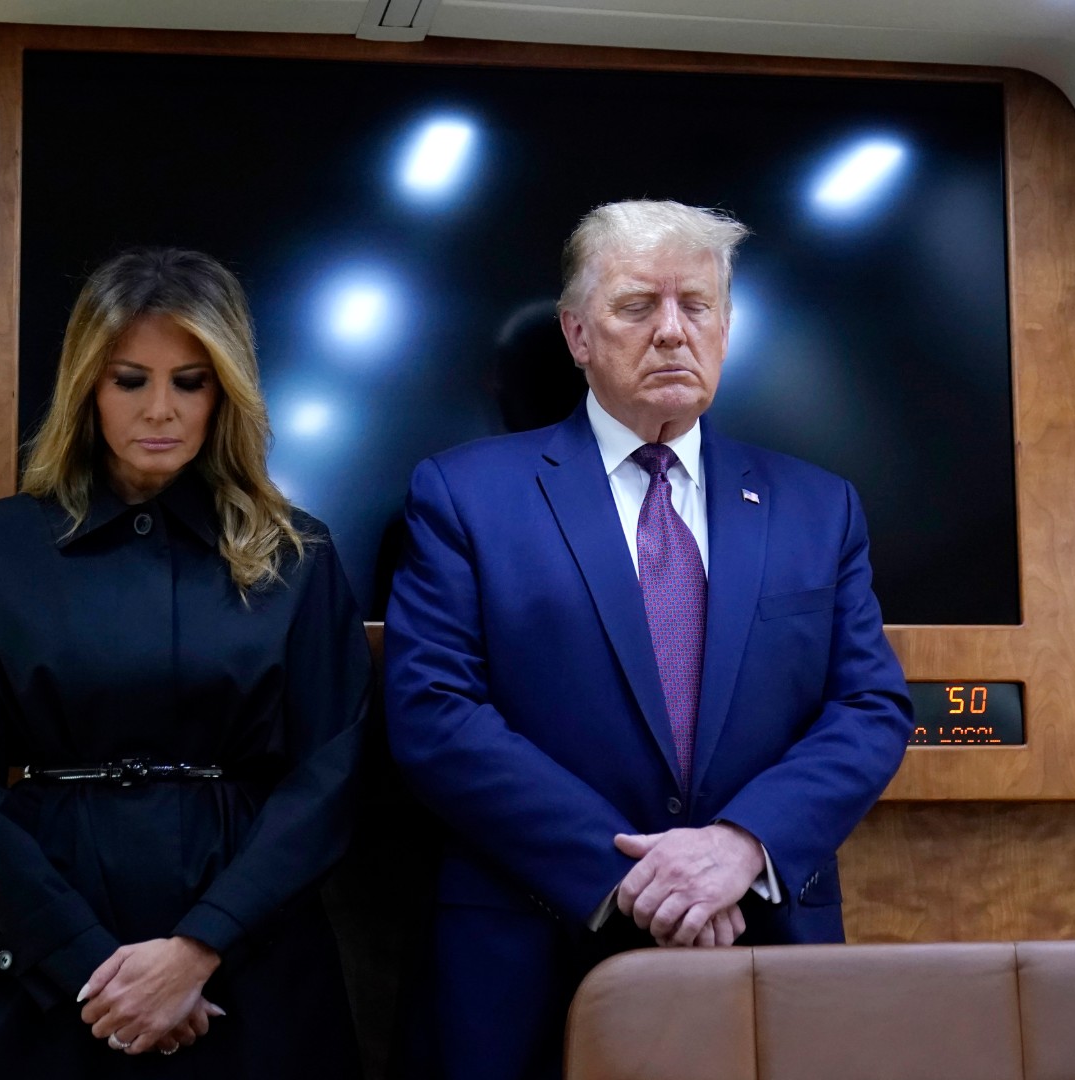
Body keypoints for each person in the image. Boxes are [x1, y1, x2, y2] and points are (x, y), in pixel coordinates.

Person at [384, 200, 914, 1080]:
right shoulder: (467, 495)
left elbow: (868, 708)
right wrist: (635, 874)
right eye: (638, 306)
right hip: (532, 944)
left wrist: (742, 847)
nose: (673, 332)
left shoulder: (819, 507)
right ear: (578, 334)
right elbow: (435, 713)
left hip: (764, 937)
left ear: (726, 327)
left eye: (696, 306)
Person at [0, 248, 367, 1077]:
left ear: (224, 390)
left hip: (247, 955)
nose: (159, 409)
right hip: (46, 961)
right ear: (89, 384)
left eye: (189, 382)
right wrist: (89, 966)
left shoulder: (296, 555)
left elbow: (328, 779)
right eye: (131, 380)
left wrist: (201, 946)